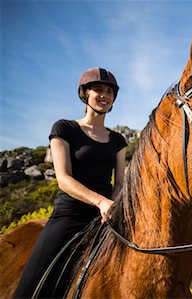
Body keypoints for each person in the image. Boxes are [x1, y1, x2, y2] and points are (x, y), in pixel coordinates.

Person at [13, 67, 127, 298]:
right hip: (69, 215)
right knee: (32, 284)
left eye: (109, 91)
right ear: (85, 94)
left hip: (105, 217)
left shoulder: (118, 140)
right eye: (98, 89)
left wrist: (111, 207)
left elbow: (120, 183)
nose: (104, 95)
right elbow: (63, 179)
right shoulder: (65, 128)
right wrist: (100, 202)